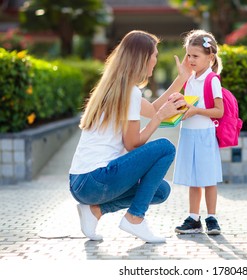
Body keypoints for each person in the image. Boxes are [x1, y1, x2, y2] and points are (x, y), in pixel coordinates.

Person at [69, 30, 191, 243]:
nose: (155, 60)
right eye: (154, 54)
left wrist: (181, 79)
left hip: (80, 183)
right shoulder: (129, 92)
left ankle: (95, 211)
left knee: (160, 191)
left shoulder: (115, 87)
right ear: (142, 58)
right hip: (95, 180)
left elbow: (152, 109)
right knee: (165, 148)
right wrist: (160, 118)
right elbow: (133, 144)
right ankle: (135, 218)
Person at [173, 30, 224, 235]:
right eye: (189, 55)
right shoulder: (189, 79)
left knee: (208, 178)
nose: (190, 60)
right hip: (188, 134)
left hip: (204, 135)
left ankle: (212, 218)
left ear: (210, 57)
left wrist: (195, 111)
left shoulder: (212, 80)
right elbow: (188, 104)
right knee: (194, 179)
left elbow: (219, 112)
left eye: (195, 56)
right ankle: (194, 218)